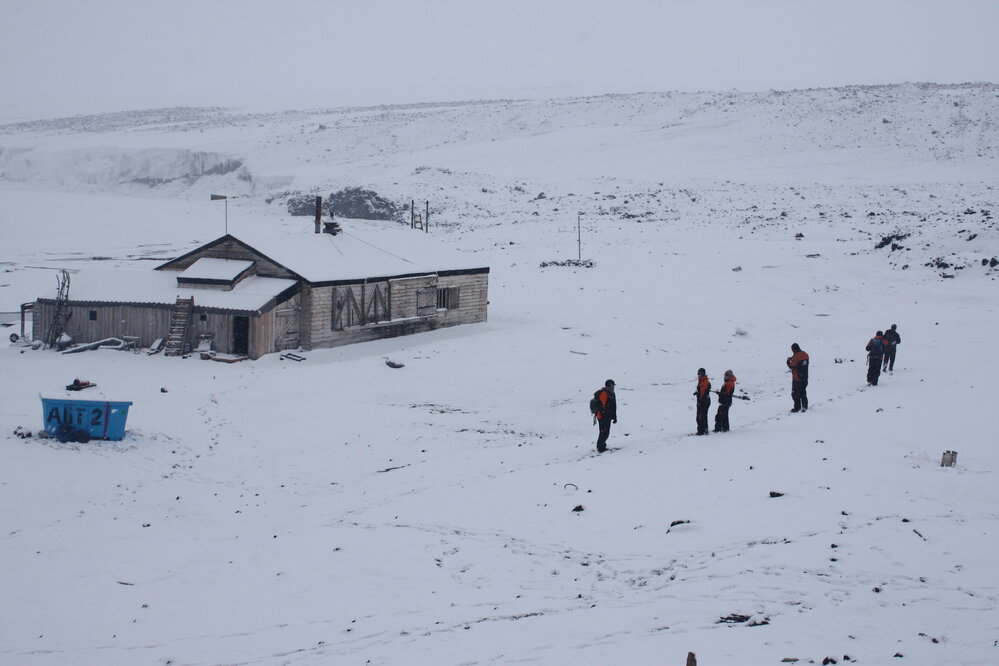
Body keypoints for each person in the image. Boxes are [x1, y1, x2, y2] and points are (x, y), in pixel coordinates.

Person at [593, 379, 617, 453]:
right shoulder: (604, 393)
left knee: (606, 433)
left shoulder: (612, 393)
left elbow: (614, 406)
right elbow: (602, 406)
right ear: (608, 385)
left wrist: (614, 416)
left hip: (608, 416)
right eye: (612, 385)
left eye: (613, 385)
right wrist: (605, 416)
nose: (613, 387)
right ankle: (600, 447)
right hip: (602, 417)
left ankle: (602, 445)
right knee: (603, 432)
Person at [786, 343, 809, 412]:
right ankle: (805, 406)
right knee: (803, 392)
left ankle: (797, 408)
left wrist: (788, 361)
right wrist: (792, 358)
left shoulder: (796, 357)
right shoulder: (805, 354)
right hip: (805, 378)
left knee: (795, 393)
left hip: (797, 379)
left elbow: (791, 366)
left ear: (793, 349)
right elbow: (799, 359)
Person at [694, 368, 711, 435]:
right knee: (703, 416)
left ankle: (701, 431)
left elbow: (703, 393)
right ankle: (705, 429)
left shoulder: (704, 382)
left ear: (703, 374)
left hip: (703, 402)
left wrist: (700, 400)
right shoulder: (702, 381)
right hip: (704, 401)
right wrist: (697, 393)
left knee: (700, 416)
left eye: (700, 374)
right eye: (698, 374)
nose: (699, 376)